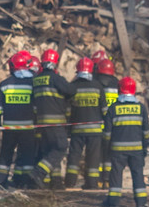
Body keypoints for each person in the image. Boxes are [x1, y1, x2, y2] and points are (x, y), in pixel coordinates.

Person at [102, 76, 149, 207]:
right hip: (136, 150)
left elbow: (107, 134)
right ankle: (141, 202)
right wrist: (145, 146)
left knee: (116, 174)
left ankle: (113, 202)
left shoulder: (113, 108)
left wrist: (107, 148)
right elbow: (146, 132)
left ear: (119, 90)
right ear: (134, 90)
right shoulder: (141, 108)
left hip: (118, 150)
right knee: (138, 174)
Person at [32, 48, 76, 188]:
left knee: (49, 151)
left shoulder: (36, 80)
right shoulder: (56, 79)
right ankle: (38, 172)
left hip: (41, 123)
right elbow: (70, 90)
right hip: (55, 122)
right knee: (61, 147)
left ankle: (55, 183)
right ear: (55, 63)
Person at [0, 51, 35, 187]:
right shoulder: (33, 83)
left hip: (9, 127)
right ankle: (24, 182)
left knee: (6, 154)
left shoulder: (5, 84)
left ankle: (0, 181)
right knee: (26, 155)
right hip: (28, 127)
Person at [65, 57, 106, 189]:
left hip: (77, 129)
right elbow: (104, 110)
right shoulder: (98, 86)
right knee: (93, 158)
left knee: (74, 157)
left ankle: (70, 182)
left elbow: (68, 111)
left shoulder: (73, 87)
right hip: (95, 131)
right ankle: (92, 184)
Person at [94, 56, 119, 187]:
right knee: (109, 153)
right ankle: (107, 180)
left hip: (98, 122)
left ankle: (97, 180)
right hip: (113, 124)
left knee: (97, 153)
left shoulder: (95, 81)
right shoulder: (116, 83)